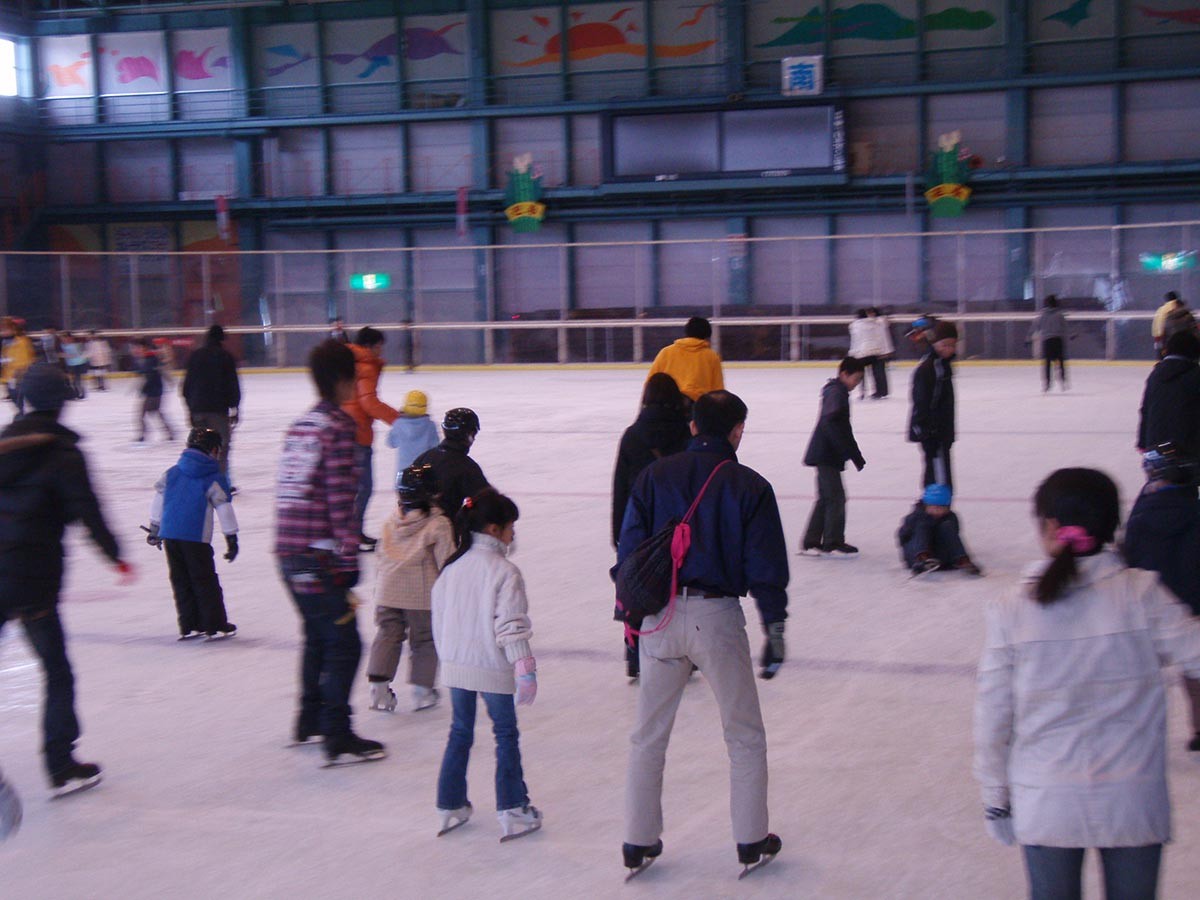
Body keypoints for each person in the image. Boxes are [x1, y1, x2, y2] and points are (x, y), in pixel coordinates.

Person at [974, 467, 1200, 900]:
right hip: (1132, 799)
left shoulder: (1011, 609)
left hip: (1047, 799)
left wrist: (995, 793)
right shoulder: (1142, 595)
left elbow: (993, 714)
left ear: (1050, 526)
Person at [616, 390, 788, 876]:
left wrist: (632, 615)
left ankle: (637, 839)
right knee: (744, 734)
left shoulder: (653, 477)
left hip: (661, 618)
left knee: (647, 737)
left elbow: (628, 552)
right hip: (716, 619)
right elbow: (766, 566)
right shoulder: (749, 485)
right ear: (737, 431)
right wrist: (774, 627)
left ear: (693, 427)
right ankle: (751, 838)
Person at [0, 363, 131, 796]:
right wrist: (116, 557)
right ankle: (60, 764)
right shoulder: (63, 454)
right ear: (60, 405)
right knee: (57, 670)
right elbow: (87, 510)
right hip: (32, 578)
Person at [275, 339, 385, 766]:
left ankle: (309, 720)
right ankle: (336, 733)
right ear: (345, 380)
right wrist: (347, 556)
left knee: (318, 637)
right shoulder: (338, 427)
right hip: (318, 556)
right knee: (344, 645)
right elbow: (343, 500)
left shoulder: (301, 425)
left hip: (287, 552)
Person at [432, 488, 540, 841]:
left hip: (456, 665)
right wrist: (524, 666)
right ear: (494, 530)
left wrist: (447, 655)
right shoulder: (505, 571)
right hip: (491, 666)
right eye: (511, 528)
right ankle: (512, 807)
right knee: (505, 734)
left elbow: (439, 619)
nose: (513, 535)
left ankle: (450, 804)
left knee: (460, 732)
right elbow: (510, 624)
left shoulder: (452, 567)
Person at [611, 373, 691, 680]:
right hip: (678, 526)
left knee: (636, 591)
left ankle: (635, 657)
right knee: (681, 592)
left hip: (639, 526)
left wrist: (618, 533)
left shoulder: (633, 434)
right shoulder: (685, 432)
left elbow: (621, 487)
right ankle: (685, 655)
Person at [1123, 443, 1200, 751]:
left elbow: (1130, 556)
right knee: (1194, 673)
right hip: (1191, 606)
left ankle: (1137, 731)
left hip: (1148, 605)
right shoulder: (1194, 511)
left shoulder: (1141, 513)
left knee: (1142, 675)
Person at [365, 463, 454, 714]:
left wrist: (379, 588)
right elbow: (447, 560)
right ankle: (422, 690)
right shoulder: (439, 524)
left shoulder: (392, 521)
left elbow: (380, 555)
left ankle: (378, 689)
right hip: (421, 596)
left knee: (387, 634)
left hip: (387, 592)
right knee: (425, 639)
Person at [145, 427, 239, 641]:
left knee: (180, 579)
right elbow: (224, 508)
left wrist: (155, 527)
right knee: (204, 579)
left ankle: (189, 623)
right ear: (213, 450)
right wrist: (231, 537)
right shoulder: (213, 477)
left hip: (170, 535)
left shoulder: (172, 472)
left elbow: (159, 499)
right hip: (195, 537)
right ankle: (213, 622)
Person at [800, 357, 867, 557]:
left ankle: (812, 540)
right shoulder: (836, 392)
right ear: (844, 374)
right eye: (856, 379)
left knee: (826, 498)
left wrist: (854, 454)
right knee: (836, 498)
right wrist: (846, 450)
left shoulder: (837, 391)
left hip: (826, 453)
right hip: (826, 454)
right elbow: (832, 423)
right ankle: (832, 540)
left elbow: (842, 427)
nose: (857, 384)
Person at [343, 327, 400, 552]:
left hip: (345, 429)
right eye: (379, 345)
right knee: (362, 487)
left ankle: (348, 533)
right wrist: (399, 420)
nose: (380, 350)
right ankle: (351, 534)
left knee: (351, 487)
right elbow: (368, 402)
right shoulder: (365, 366)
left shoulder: (349, 361)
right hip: (357, 433)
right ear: (370, 345)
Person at [412, 407, 489, 539]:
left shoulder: (425, 458)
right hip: (445, 533)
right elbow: (486, 501)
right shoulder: (466, 467)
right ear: (469, 435)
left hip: (415, 529)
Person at [182, 325, 242, 480]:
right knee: (221, 447)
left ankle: (197, 478)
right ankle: (220, 481)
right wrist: (235, 408)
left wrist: (190, 409)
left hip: (198, 410)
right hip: (218, 411)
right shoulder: (225, 357)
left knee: (199, 447)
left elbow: (186, 386)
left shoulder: (195, 356)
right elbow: (232, 385)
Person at [908, 320, 957, 490]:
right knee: (940, 483)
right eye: (944, 345)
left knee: (937, 478)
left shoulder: (943, 366)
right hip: (933, 435)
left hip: (941, 434)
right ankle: (932, 513)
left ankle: (931, 512)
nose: (949, 349)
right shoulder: (930, 369)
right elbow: (921, 402)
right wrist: (925, 433)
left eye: (952, 345)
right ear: (935, 343)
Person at [1136, 329, 1200, 456]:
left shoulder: (1155, 376)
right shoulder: (1195, 375)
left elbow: (1145, 410)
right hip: (1189, 452)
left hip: (1156, 451)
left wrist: (1142, 443)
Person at [896, 483, 981, 575]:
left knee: (947, 526)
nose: (937, 511)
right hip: (915, 554)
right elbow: (902, 536)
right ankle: (922, 559)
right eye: (934, 508)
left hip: (941, 556)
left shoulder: (950, 517)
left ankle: (962, 560)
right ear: (926, 506)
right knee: (923, 525)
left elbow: (954, 536)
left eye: (942, 508)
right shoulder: (915, 517)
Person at [646, 316, 724, 404]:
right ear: (707, 336)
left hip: (668, 404)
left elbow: (651, 381)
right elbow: (718, 390)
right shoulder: (712, 356)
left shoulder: (666, 352)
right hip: (697, 405)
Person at [385, 389, 439, 488]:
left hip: (403, 475)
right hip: (424, 473)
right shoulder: (430, 426)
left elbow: (390, 442)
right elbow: (435, 446)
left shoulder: (399, 424)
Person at [134, 338, 175, 444]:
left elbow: (151, 375)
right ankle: (170, 433)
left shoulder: (151, 359)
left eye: (140, 347)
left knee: (143, 413)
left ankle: (143, 435)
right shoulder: (151, 358)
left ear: (145, 347)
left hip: (153, 392)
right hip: (155, 391)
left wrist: (144, 387)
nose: (139, 350)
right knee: (156, 412)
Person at [1027, 295, 1069, 392]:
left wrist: (1028, 338)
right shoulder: (1060, 315)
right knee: (1061, 361)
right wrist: (1071, 335)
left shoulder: (1042, 315)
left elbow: (1035, 327)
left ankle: (1047, 384)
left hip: (1047, 341)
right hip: (1058, 340)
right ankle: (1062, 380)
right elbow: (1065, 327)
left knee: (1047, 363)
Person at [1, 318, 35, 416]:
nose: (2, 332)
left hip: (18, 375)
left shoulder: (21, 342)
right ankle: (21, 414)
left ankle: (22, 416)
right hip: (8, 376)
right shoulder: (5, 343)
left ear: (13, 329)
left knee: (18, 398)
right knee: (14, 398)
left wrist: (18, 372)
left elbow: (24, 360)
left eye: (5, 329)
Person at [865, 307, 893, 398]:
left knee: (878, 372)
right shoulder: (879, 323)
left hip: (880, 351)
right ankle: (881, 391)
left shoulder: (879, 323)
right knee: (877, 372)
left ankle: (881, 391)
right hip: (877, 351)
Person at [1152, 291, 1184, 357]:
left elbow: (1155, 327)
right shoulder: (1178, 307)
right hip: (1174, 339)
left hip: (1160, 339)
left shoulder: (1160, 309)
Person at [61, 333, 88, 400]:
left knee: (77, 380)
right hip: (70, 365)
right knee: (73, 380)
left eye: (67, 338)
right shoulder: (62, 346)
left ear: (71, 338)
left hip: (78, 364)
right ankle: (77, 393)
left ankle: (80, 393)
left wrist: (67, 355)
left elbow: (81, 354)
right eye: (64, 339)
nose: (65, 340)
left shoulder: (77, 345)